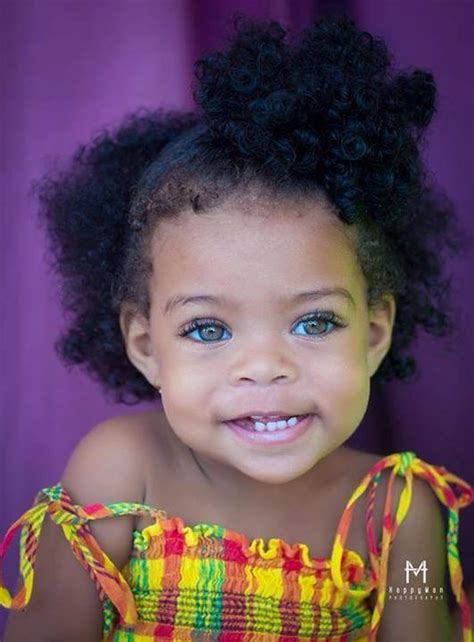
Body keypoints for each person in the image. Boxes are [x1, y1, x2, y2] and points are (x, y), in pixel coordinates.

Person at [0, 13, 472, 642]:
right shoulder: (119, 472)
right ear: (146, 347)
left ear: (375, 332)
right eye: (207, 330)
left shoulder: (402, 511)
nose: (264, 365)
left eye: (314, 321)